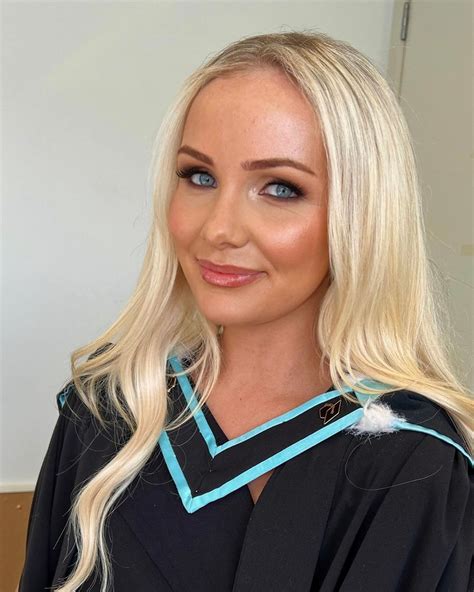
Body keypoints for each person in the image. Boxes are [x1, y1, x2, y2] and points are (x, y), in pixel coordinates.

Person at [19, 30, 473, 592]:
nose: (219, 228)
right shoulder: (110, 405)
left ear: (362, 217)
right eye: (199, 177)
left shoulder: (412, 460)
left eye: (280, 188)